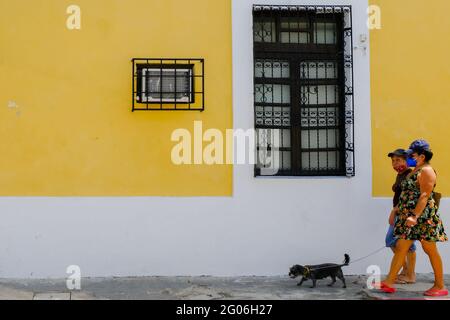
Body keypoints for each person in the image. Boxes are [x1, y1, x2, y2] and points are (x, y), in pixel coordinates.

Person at [378, 139, 448, 296]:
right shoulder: (416, 170)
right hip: (410, 217)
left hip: (423, 218)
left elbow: (424, 195)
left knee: (430, 249)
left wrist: (414, 216)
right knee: (401, 247)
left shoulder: (427, 171)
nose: (409, 157)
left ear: (422, 156)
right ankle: (389, 282)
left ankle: (439, 285)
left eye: (412, 155)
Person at [385, 149, 416, 284]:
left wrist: (394, 211)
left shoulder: (409, 174)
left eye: (398, 160)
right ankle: (406, 271)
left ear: (406, 161)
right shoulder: (401, 175)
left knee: (397, 242)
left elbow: (408, 197)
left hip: (404, 215)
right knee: (396, 242)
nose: (395, 163)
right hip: (400, 214)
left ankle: (410, 274)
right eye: (393, 161)